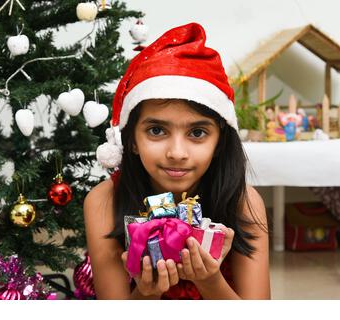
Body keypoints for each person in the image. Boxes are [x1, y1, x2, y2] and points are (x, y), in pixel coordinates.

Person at [83, 22, 270, 299]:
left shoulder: (244, 202)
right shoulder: (104, 201)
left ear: (219, 142)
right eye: (157, 131)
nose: (177, 153)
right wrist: (146, 293)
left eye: (197, 133)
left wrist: (210, 281)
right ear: (131, 139)